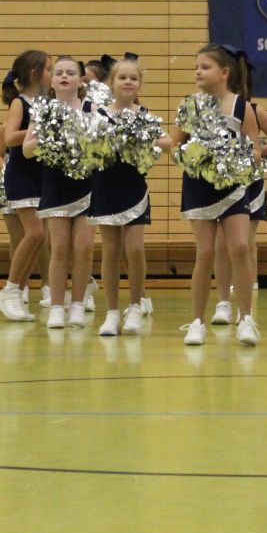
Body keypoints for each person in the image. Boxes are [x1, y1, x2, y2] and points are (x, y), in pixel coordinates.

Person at [175, 44, 261, 346]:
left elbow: (255, 149)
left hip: (233, 185)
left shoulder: (241, 106)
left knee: (239, 247)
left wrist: (233, 156)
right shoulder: (189, 105)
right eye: (196, 67)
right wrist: (196, 153)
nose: (198, 72)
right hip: (198, 185)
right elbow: (175, 144)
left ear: (224, 73)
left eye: (205, 67)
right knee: (206, 252)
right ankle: (197, 322)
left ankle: (246, 319)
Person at [88, 57, 170, 336]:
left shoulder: (144, 115)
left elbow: (168, 142)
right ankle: (111, 313)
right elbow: (87, 147)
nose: (128, 82)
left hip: (134, 188)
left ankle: (135, 306)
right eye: (122, 77)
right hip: (105, 187)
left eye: (133, 78)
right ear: (111, 83)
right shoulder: (99, 114)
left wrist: (145, 137)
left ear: (139, 84)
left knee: (134, 249)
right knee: (110, 251)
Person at [21, 56, 97, 330]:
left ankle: (77, 305)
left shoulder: (92, 108)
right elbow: (26, 150)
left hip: (88, 186)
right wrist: (47, 136)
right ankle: (56, 307)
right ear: (51, 81)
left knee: (83, 247)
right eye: (59, 72)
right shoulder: (43, 111)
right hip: (55, 185)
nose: (64, 76)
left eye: (71, 73)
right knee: (60, 248)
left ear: (80, 80)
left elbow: (104, 145)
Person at [211, 72, 267, 326]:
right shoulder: (208, 110)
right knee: (221, 244)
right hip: (221, 183)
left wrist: (254, 151)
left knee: (245, 244)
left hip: (250, 183)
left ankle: (246, 302)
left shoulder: (254, 110)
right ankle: (223, 302)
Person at [0, 49, 51, 321]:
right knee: (35, 234)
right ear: (34, 73)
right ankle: (9, 290)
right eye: (49, 69)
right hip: (21, 175)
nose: (52, 74)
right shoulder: (19, 102)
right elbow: (9, 137)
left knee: (40, 238)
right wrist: (39, 130)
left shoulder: (47, 102)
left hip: (41, 175)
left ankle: (16, 291)